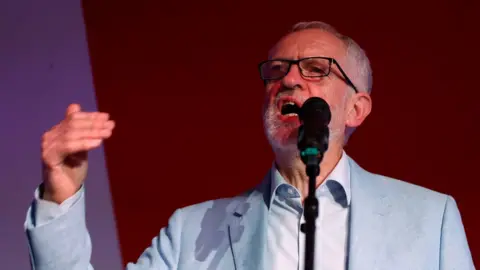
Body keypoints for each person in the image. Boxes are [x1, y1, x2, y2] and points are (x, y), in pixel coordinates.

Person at [24, 21, 475, 270]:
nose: (290, 80)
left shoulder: (429, 219)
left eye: (316, 69)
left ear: (357, 108)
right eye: (277, 71)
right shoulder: (191, 232)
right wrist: (61, 193)